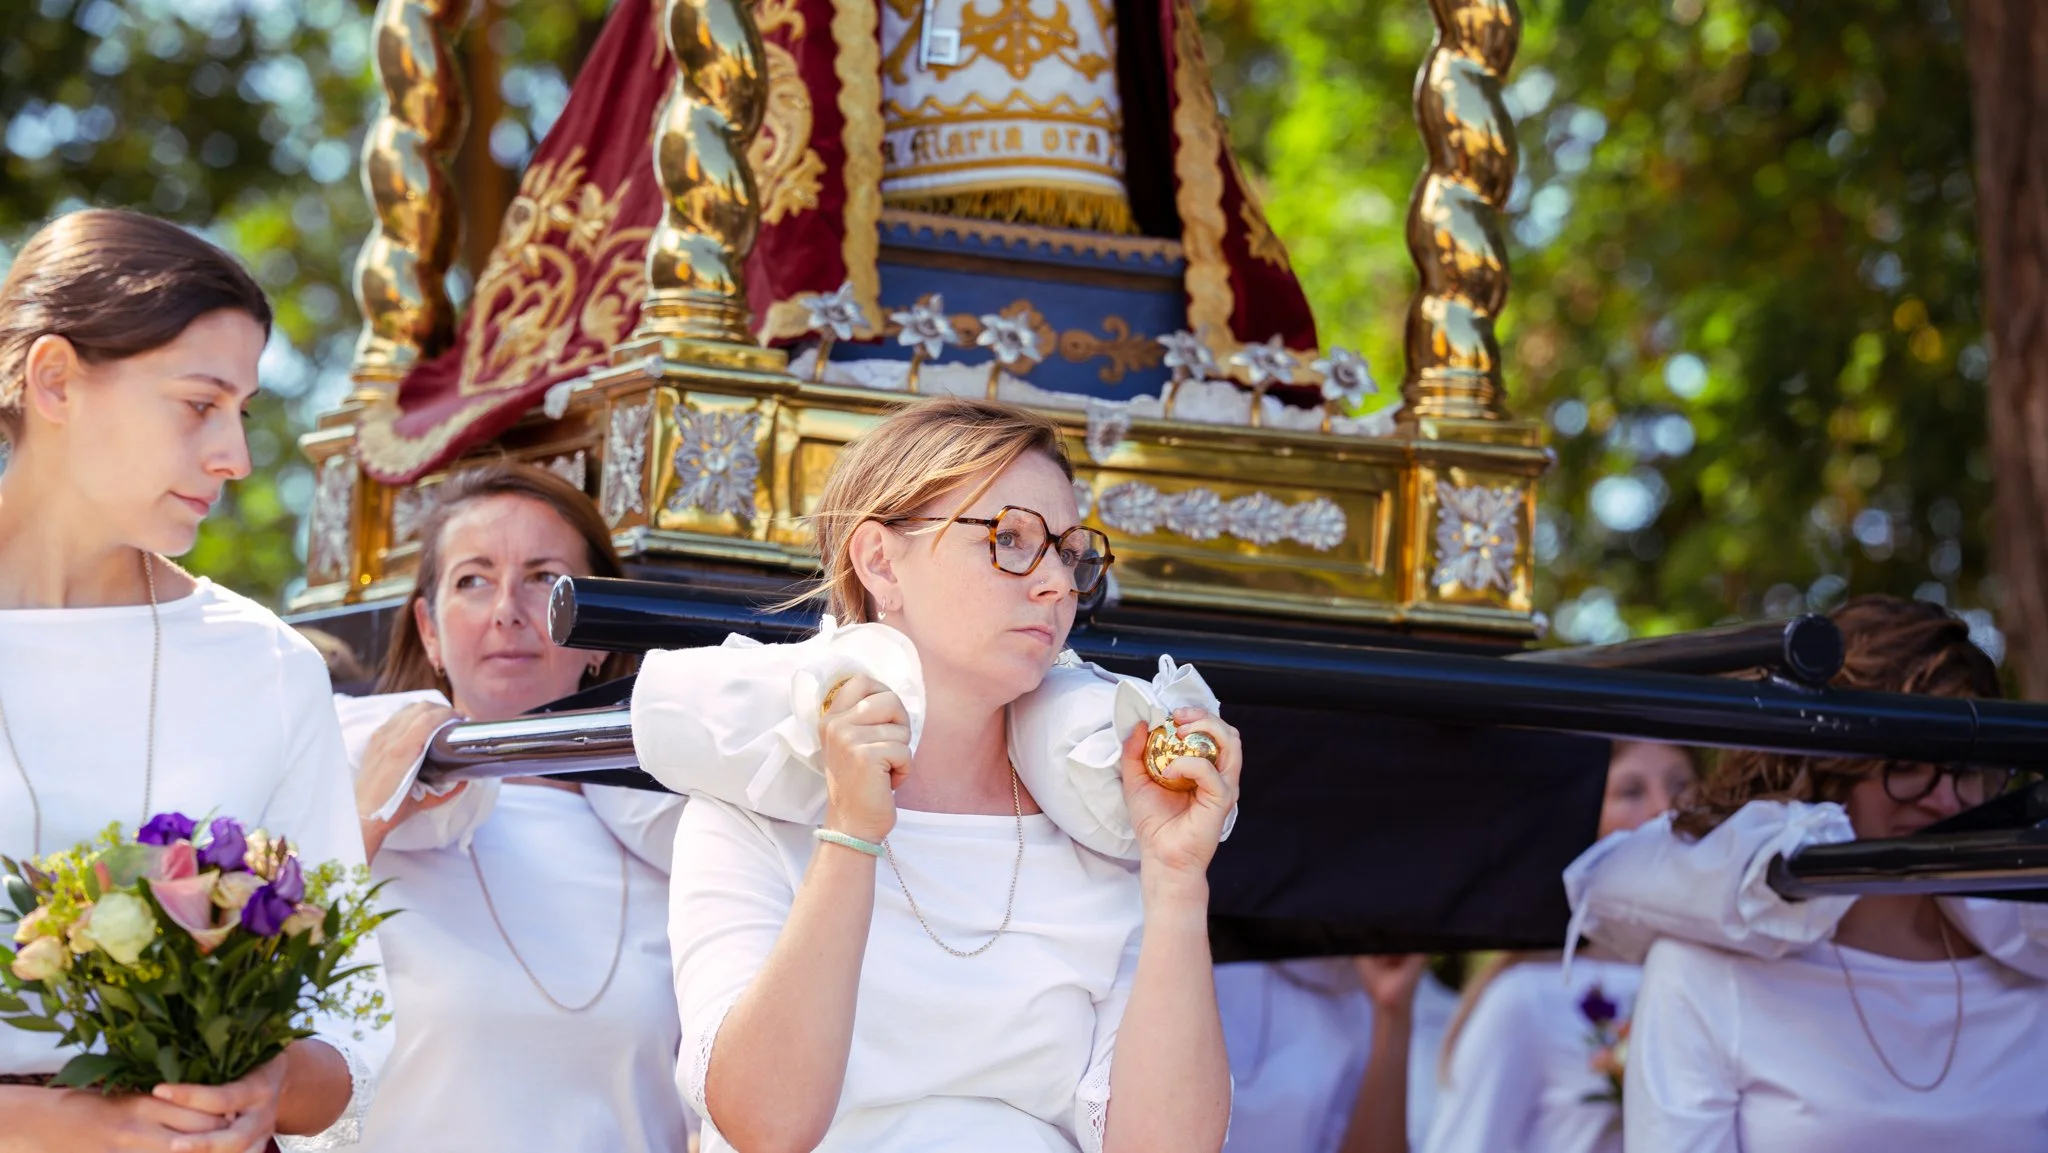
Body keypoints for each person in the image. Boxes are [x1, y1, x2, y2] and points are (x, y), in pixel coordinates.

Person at [642, 397, 1238, 1152]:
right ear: (880, 561)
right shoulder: (751, 810)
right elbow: (764, 1121)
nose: (1056, 581)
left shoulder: (1104, 816)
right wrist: (853, 834)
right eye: (1011, 538)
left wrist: (1179, 879)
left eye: (1069, 551)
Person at [0, 208, 384, 1150]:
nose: (237, 458)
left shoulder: (267, 665)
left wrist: (273, 1084)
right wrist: (67, 1125)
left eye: (243, 411)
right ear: (55, 380)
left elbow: (358, 1024)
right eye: (198, 403)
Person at [1565, 596, 2048, 1150]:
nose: (1943, 799)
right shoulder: (1704, 972)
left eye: (1967, 769)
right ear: (1823, 770)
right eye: (1905, 766)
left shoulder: (2030, 950)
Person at [341, 461, 691, 1152]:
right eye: (472, 579)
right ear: (430, 629)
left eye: (543, 578)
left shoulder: (680, 836)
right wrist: (370, 811)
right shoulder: (354, 790)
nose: (508, 608)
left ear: (596, 632)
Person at [1408, 741, 1699, 1153]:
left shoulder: (1723, 978)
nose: (1664, 809)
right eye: (1630, 792)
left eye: (1682, 785)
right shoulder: (1527, 996)